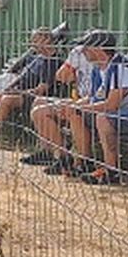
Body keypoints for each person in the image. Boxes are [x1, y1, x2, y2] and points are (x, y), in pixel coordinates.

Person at [71, 29, 128, 185]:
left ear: (98, 48)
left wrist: (83, 108)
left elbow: (112, 105)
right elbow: (93, 98)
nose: (82, 51)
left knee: (103, 118)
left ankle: (111, 171)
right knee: (74, 112)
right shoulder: (98, 69)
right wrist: (73, 106)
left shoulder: (120, 67)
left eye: (86, 47)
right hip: (122, 112)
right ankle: (84, 162)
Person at [28, 29, 104, 176]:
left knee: (69, 111)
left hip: (91, 101)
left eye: (86, 46)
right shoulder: (78, 52)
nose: (83, 50)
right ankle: (58, 154)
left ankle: (79, 161)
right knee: (39, 104)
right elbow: (61, 76)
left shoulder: (101, 61)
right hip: (80, 97)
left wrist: (72, 72)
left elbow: (65, 77)